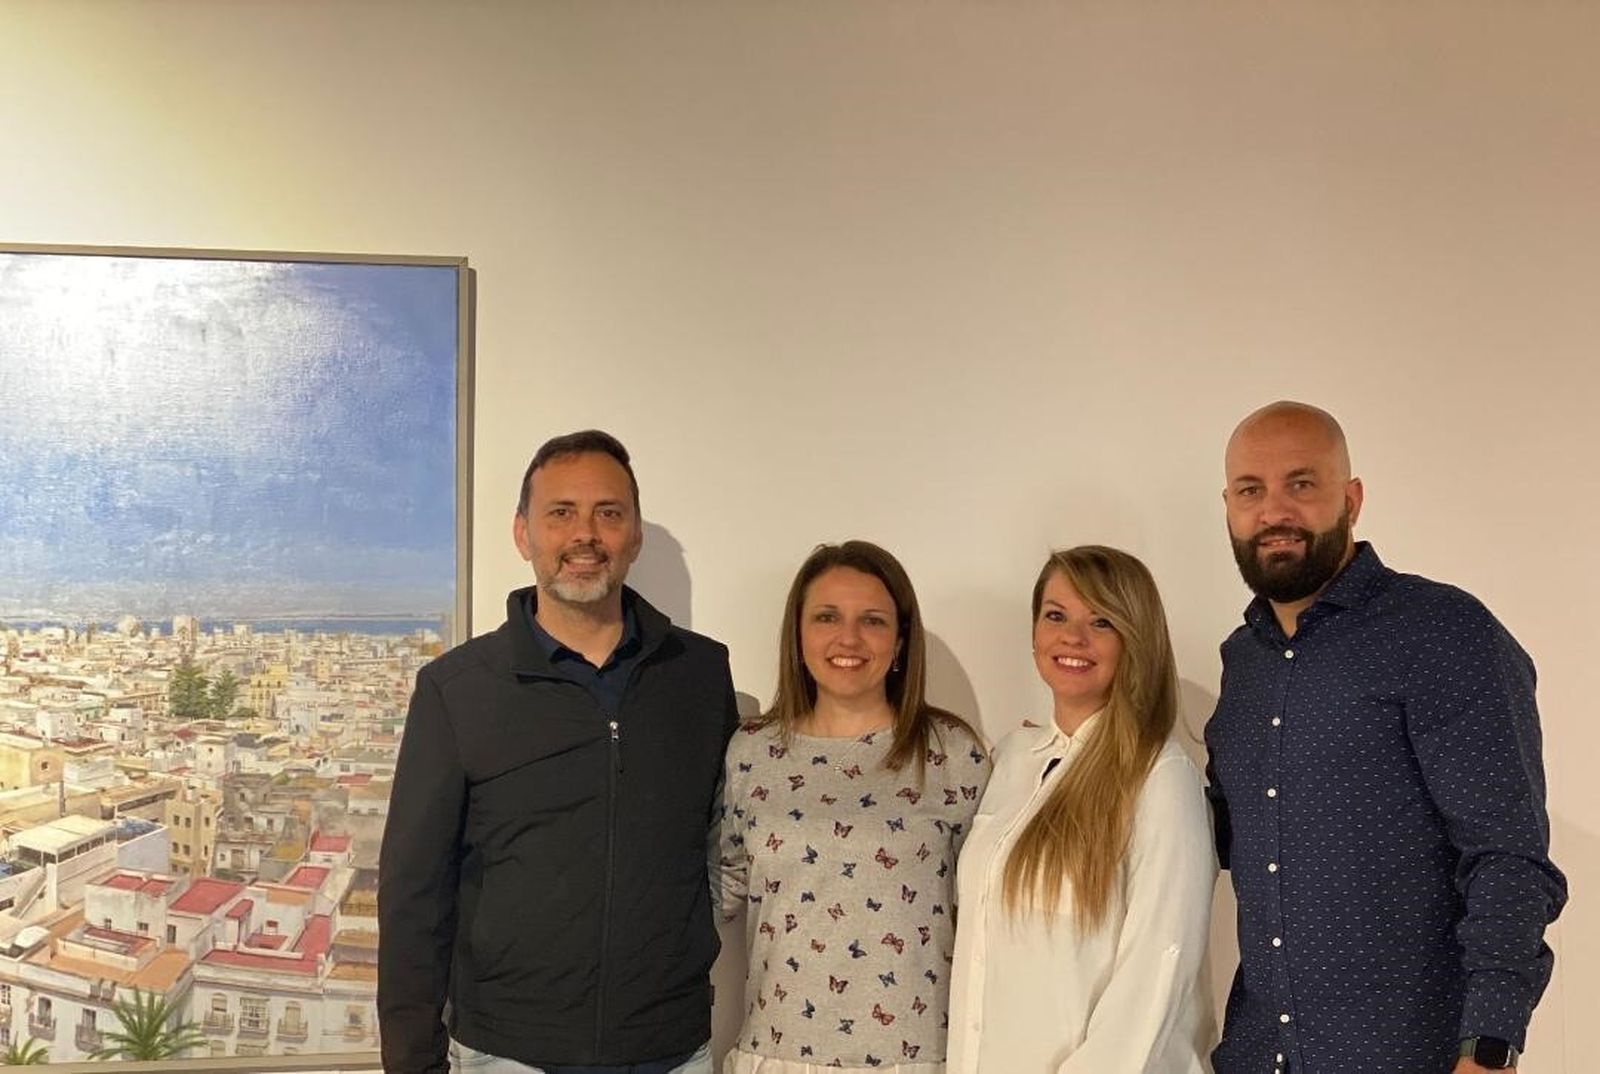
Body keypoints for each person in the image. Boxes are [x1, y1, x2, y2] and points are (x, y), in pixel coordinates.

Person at [1205, 401, 1567, 1074]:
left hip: (1409, 1057)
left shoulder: (1443, 632)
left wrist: (1488, 1048)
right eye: (1251, 490)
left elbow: (1508, 858)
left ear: (1352, 498)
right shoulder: (1242, 664)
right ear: (1228, 505)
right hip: (1261, 1057)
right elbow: (1227, 841)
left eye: (1301, 484)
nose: (1274, 510)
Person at [378, 430, 739, 1074]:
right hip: (509, 1053)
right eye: (561, 513)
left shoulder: (701, 675)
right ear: (523, 534)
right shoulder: (457, 689)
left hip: (672, 1049)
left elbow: (718, 848)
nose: (585, 534)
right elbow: (414, 893)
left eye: (609, 512)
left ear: (634, 536)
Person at [716, 540, 990, 1073]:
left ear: (900, 640)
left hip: (915, 1058)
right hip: (777, 1054)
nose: (849, 638)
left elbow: (994, 908)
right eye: (826, 617)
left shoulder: (950, 751)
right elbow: (719, 888)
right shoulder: (751, 752)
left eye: (872, 620)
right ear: (798, 635)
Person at [946, 545, 1215, 1073]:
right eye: (1056, 615)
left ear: (1135, 639)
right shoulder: (1009, 759)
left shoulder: (1160, 778)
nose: (1073, 637)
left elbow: (1157, 973)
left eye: (1102, 621)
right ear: (1034, 633)